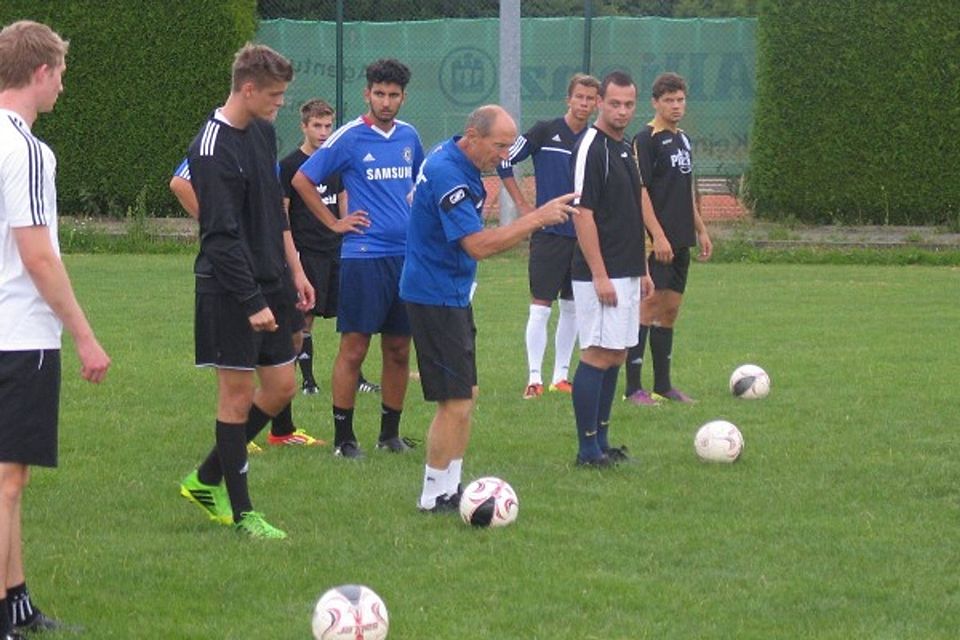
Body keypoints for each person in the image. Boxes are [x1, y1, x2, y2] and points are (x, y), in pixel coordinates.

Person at [401, 105, 577, 511]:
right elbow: (477, 245)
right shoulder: (447, 170)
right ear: (472, 135)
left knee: (467, 394)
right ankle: (433, 496)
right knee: (456, 402)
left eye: (508, 147)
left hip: (452, 292)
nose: (504, 156)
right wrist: (536, 220)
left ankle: (452, 488)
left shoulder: (454, 156)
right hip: (434, 294)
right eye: (499, 146)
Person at [0, 20, 111, 636]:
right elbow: (38, 255)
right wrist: (85, 335)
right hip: (18, 334)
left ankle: (16, 600)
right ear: (40, 73)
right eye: (61, 76)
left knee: (7, 476)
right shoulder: (25, 149)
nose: (62, 89)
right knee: (7, 481)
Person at [177, 43, 314, 540]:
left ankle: (206, 478)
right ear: (248, 88)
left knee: (281, 388)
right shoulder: (209, 148)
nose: (281, 103)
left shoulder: (262, 130)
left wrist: (295, 269)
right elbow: (219, 235)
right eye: (275, 95)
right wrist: (251, 301)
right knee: (234, 398)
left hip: (273, 279)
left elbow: (274, 210)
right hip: (229, 290)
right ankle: (243, 514)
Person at [292, 59, 424, 459]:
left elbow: (418, 184)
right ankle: (344, 439)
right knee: (355, 347)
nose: (386, 102)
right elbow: (302, 180)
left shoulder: (410, 137)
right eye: (379, 94)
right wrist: (335, 223)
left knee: (400, 348)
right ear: (367, 93)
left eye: (394, 95)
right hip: (364, 257)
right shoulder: (348, 137)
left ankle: (390, 434)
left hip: (406, 259)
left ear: (403, 96)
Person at [497, 74, 600, 400]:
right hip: (549, 234)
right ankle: (534, 378)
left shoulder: (596, 139)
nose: (584, 103)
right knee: (541, 307)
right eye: (579, 97)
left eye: (590, 98)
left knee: (572, 308)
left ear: (597, 103)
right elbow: (504, 161)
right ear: (568, 99)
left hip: (582, 237)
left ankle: (560, 377)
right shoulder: (545, 131)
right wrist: (524, 205)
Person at [569, 71, 653, 466]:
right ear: (600, 101)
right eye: (615, 103)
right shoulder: (592, 146)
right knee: (597, 354)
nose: (622, 111)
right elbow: (582, 214)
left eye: (629, 104)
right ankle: (587, 449)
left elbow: (627, 213)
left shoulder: (624, 148)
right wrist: (600, 274)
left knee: (617, 354)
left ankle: (602, 443)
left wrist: (642, 270)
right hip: (599, 273)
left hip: (627, 269)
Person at [624, 72, 713, 405]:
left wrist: (701, 229)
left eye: (680, 100)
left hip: (681, 239)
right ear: (655, 102)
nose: (676, 106)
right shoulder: (645, 139)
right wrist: (657, 235)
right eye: (669, 101)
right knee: (647, 308)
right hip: (655, 242)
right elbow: (641, 191)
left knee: (670, 310)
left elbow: (684, 190)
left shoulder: (684, 140)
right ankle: (633, 388)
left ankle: (663, 386)